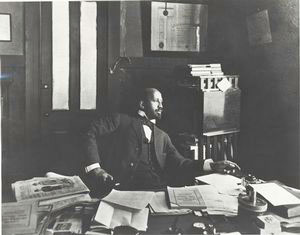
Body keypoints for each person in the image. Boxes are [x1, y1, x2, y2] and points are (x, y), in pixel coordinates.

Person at [83, 88, 240, 194]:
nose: (161, 106)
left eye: (162, 102)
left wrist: (212, 165)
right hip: (122, 190)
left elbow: (181, 163)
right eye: (156, 101)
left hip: (158, 191)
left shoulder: (163, 136)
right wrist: (96, 169)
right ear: (142, 104)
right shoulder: (121, 120)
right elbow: (90, 132)